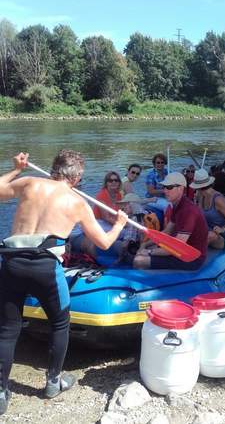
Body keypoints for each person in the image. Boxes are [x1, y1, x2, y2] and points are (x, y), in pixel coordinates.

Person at [0, 151, 128, 414]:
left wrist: (16, 169)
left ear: (53, 169)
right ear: (78, 177)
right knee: (60, 323)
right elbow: (103, 243)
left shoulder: (29, 183)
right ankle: (53, 382)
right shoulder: (77, 201)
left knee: (8, 328)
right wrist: (120, 223)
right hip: (45, 268)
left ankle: (2, 391)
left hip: (11, 263)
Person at [133, 172, 208, 271]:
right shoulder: (177, 205)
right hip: (180, 251)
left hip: (191, 259)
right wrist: (145, 244)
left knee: (139, 261)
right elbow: (166, 232)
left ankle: (145, 282)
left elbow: (177, 248)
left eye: (169, 187)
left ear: (180, 188)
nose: (165, 191)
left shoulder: (188, 211)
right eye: (164, 187)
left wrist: (149, 252)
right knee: (149, 247)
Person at [190, 169, 225, 249]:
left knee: (210, 235)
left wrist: (223, 228)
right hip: (206, 231)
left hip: (222, 236)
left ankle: (196, 257)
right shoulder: (200, 196)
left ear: (199, 187)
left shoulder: (218, 199)